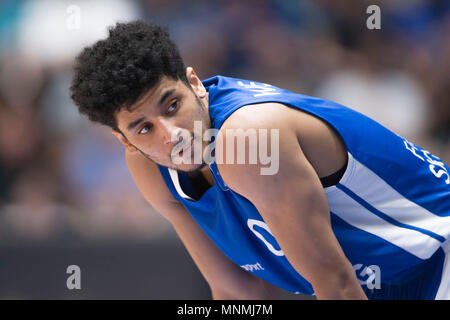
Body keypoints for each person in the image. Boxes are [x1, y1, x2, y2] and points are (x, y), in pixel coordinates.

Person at [70, 21, 450, 300]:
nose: (172, 135)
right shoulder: (148, 168)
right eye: (143, 128)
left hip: (438, 259)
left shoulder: (247, 140)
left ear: (196, 84)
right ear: (124, 141)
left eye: (172, 105)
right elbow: (237, 293)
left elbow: (335, 283)